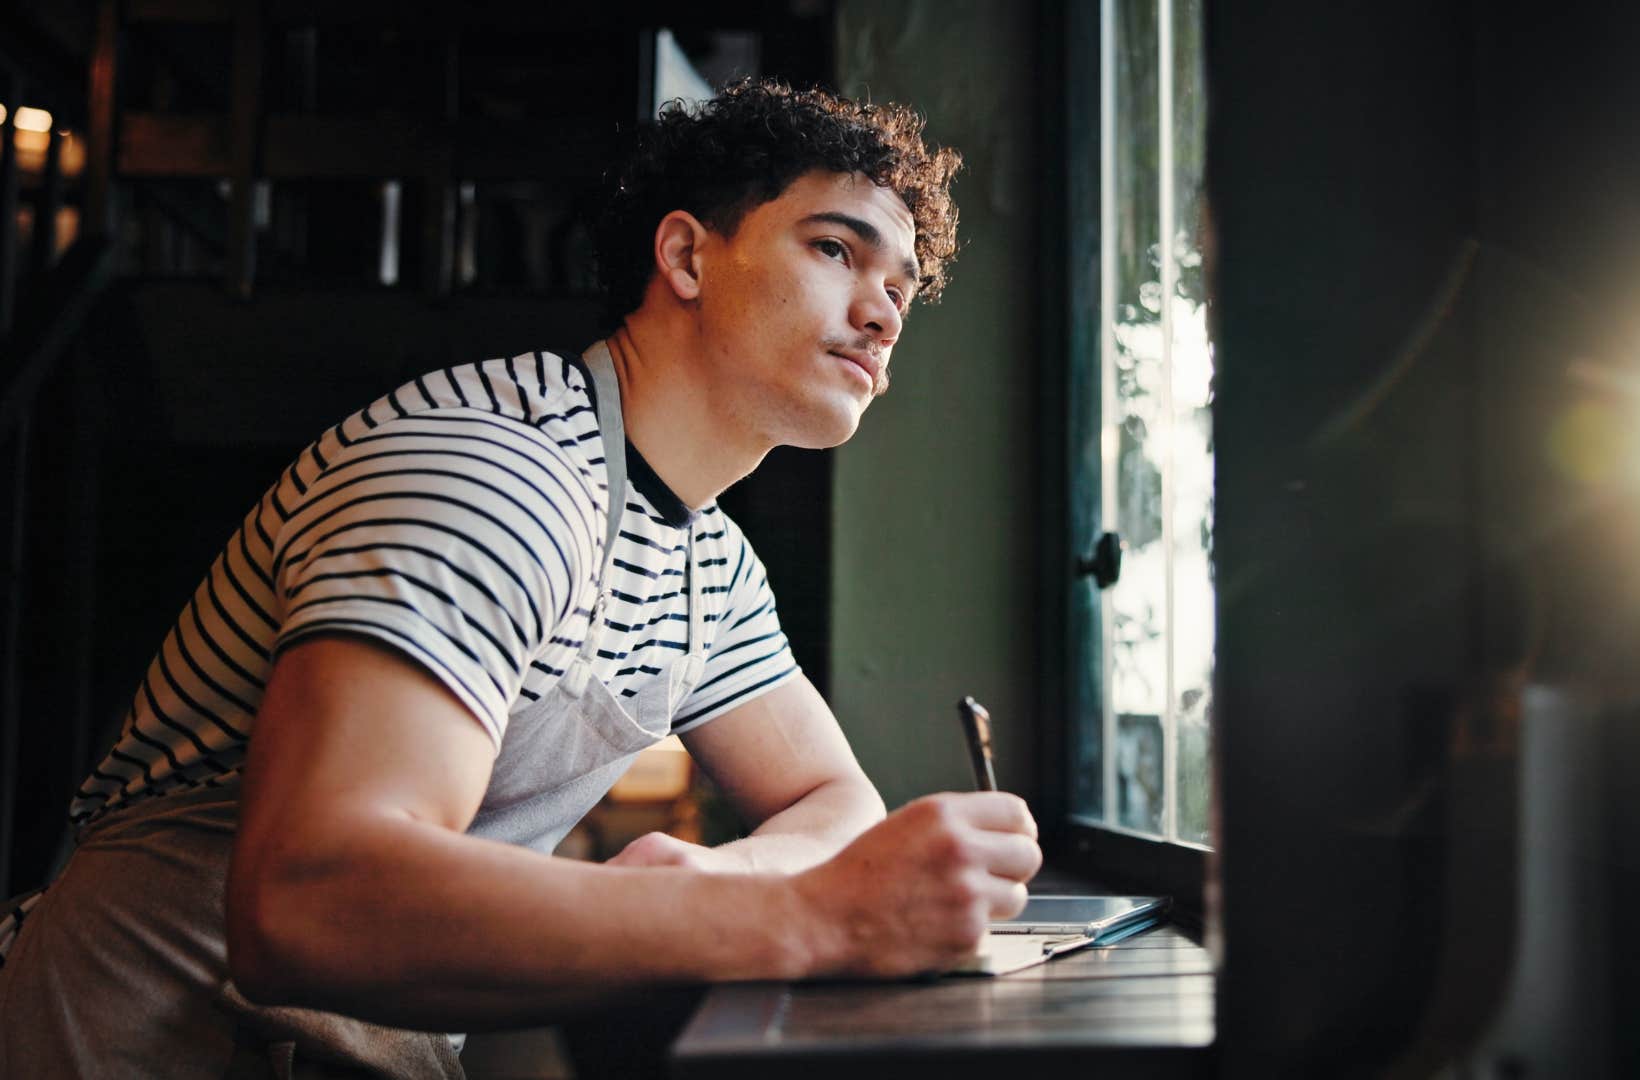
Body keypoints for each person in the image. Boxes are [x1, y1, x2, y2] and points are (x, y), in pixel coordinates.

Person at [0, 78, 1042, 1078]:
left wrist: (713, 878)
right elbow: (308, 902)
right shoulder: (497, 468)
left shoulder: (707, 559)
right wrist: (803, 916)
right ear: (684, 255)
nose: (885, 314)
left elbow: (834, 797)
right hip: (147, 1024)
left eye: (901, 286)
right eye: (835, 250)